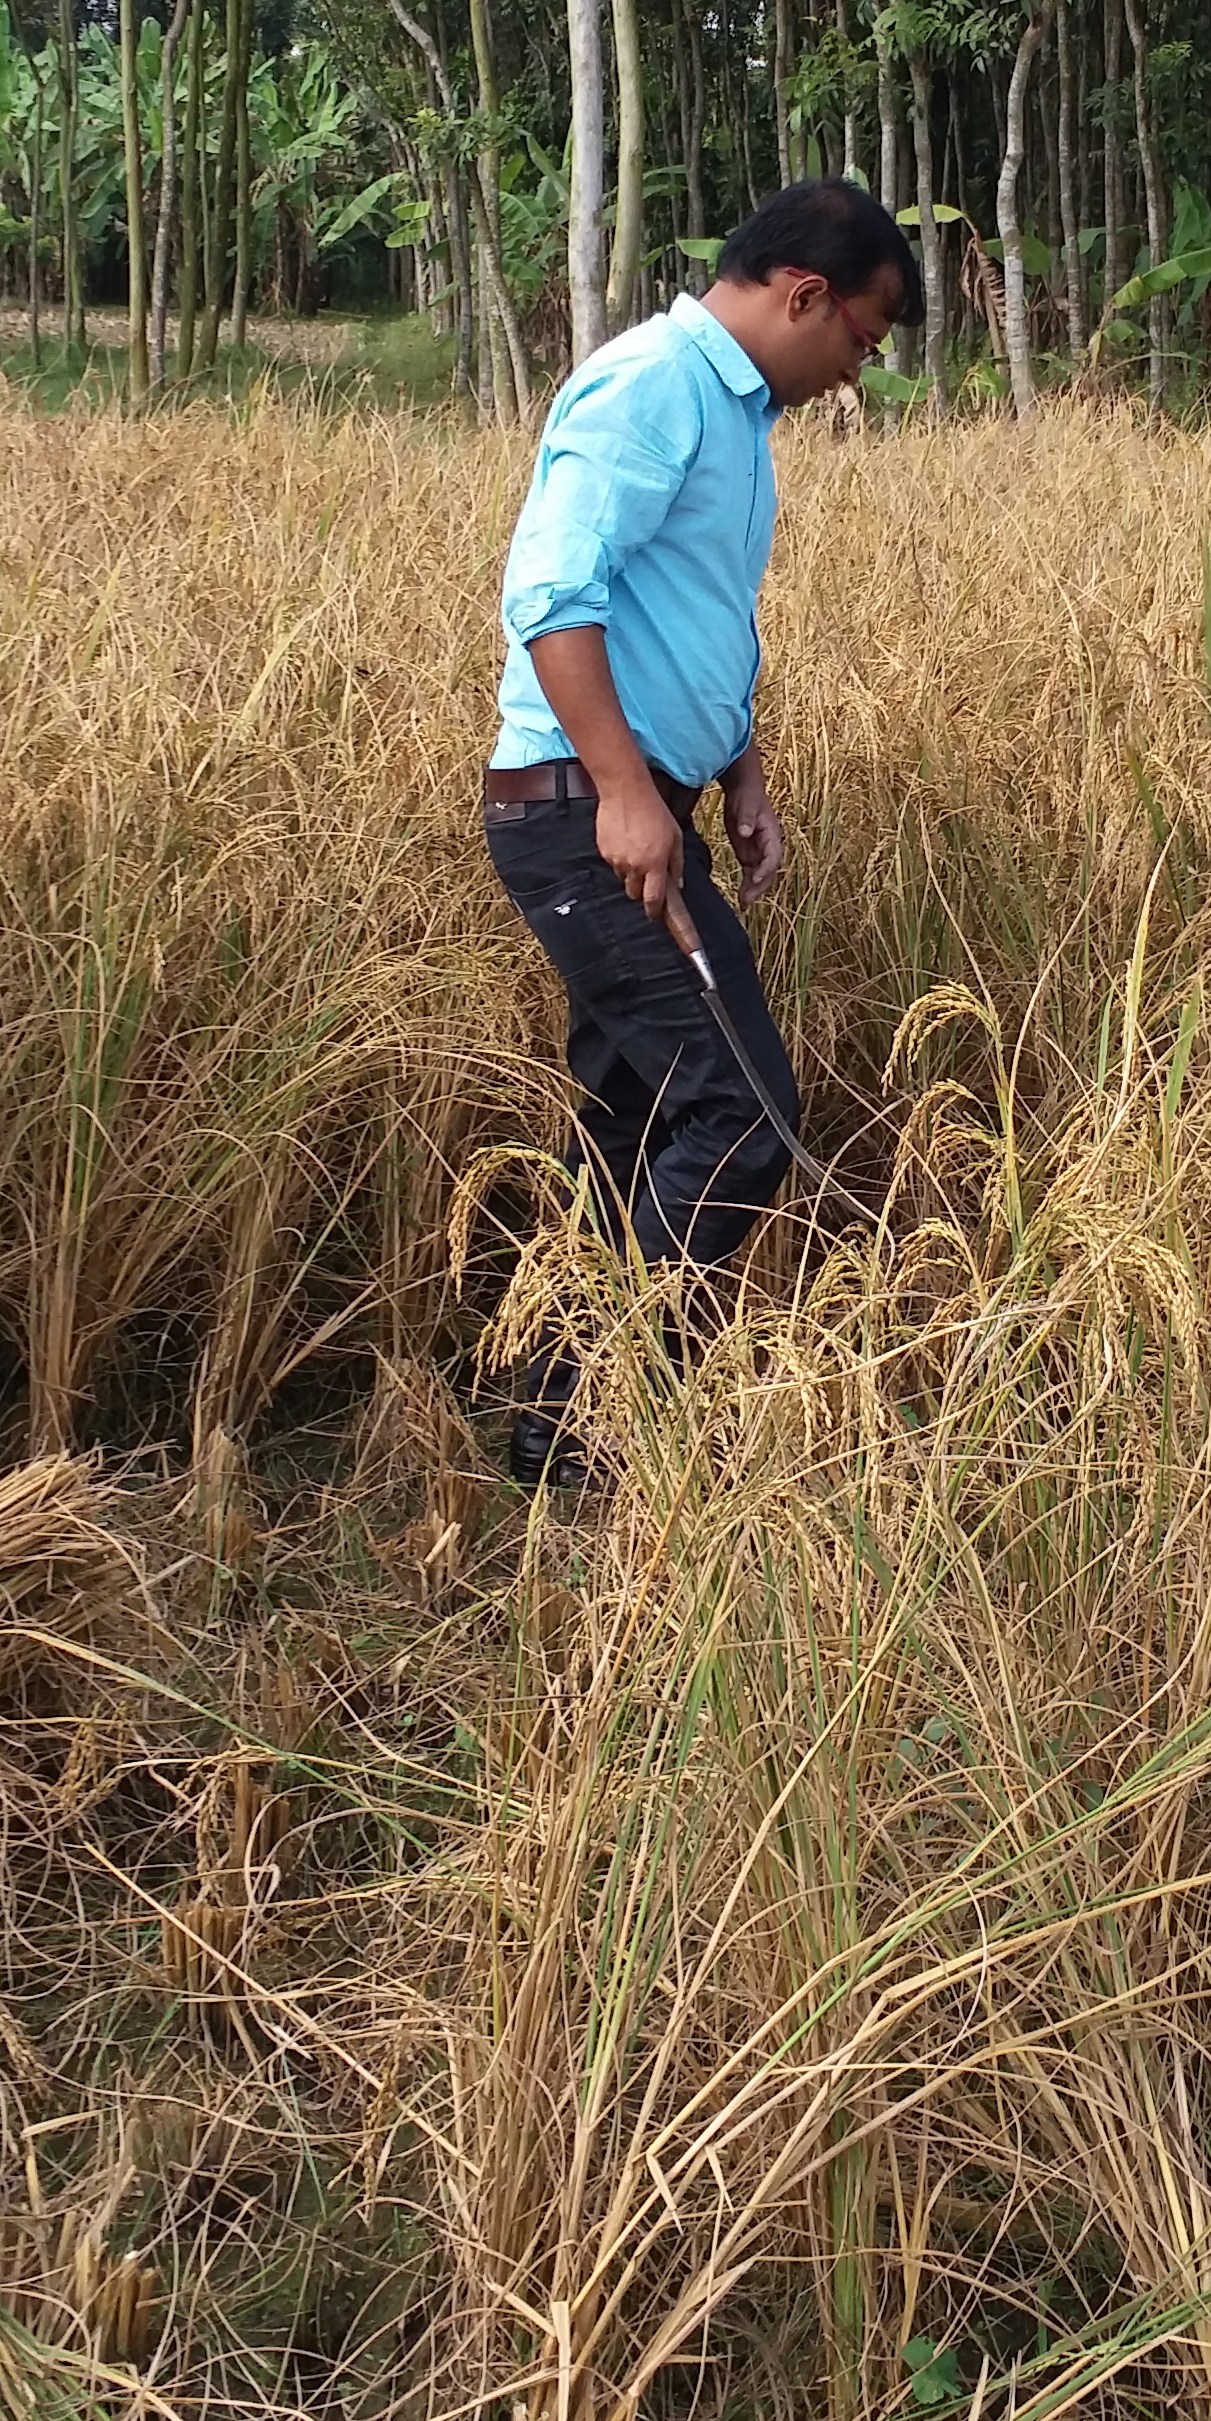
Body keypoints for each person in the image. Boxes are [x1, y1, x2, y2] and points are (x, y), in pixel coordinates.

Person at [483, 179, 922, 1484]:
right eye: (861, 337)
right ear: (803, 295)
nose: (854, 370)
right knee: (742, 1114)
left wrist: (738, 778)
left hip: (634, 806)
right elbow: (550, 591)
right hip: (581, 817)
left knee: (629, 1121)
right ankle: (612, 1408)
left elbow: (695, 614)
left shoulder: (731, 418)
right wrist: (625, 793)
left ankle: (556, 1431)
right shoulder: (652, 388)